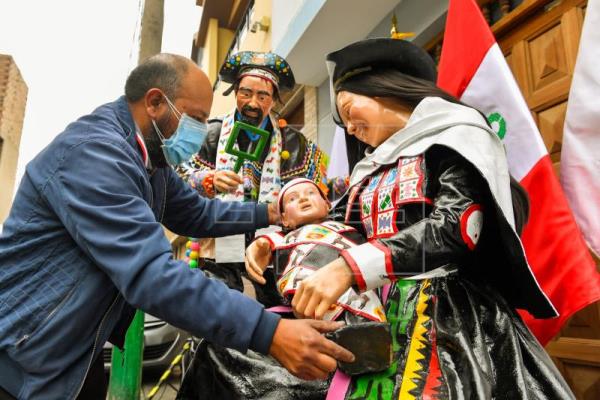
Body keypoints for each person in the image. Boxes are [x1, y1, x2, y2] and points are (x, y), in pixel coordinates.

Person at [0, 54, 354, 400]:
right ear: (155, 102)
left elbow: (199, 214)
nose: (200, 132)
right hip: (25, 350)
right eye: (196, 118)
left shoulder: (151, 161)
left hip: (77, 347)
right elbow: (151, 273)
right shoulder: (95, 154)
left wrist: (274, 214)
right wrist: (269, 332)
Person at [249, 38, 575, 399]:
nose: (350, 130)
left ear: (382, 89)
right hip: (375, 312)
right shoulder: (368, 170)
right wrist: (272, 242)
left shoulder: (456, 136)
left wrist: (348, 269)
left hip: (450, 318)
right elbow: (336, 226)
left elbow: (455, 228)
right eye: (344, 125)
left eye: (348, 109)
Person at [177, 178, 385, 399]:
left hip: (298, 248)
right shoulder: (214, 142)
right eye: (296, 197)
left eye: (309, 194)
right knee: (221, 335)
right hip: (234, 233)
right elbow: (189, 188)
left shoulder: (304, 152)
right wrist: (209, 180)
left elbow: (333, 187)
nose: (303, 198)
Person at [176, 51, 330, 307]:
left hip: (275, 246)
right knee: (216, 309)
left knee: (280, 309)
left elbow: (317, 192)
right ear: (235, 92)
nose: (253, 103)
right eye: (245, 93)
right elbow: (178, 180)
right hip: (219, 241)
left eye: (263, 96)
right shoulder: (211, 134)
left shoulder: (294, 143)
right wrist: (207, 180)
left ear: (274, 99)